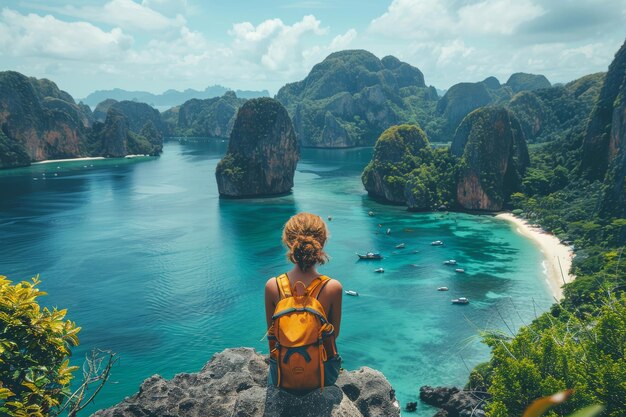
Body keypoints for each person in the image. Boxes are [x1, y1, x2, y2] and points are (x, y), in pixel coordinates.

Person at [264, 212, 343, 391]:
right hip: (321, 377)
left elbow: (273, 335)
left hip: (282, 377)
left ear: (288, 243)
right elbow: (333, 335)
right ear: (321, 244)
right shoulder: (332, 287)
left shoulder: (272, 286)